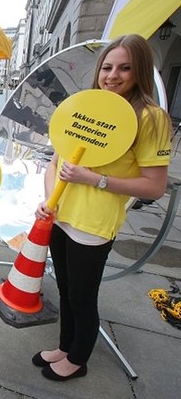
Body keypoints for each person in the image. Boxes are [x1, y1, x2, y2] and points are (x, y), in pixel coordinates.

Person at [33, 34, 172, 381]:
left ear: (139, 70)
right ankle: (65, 347)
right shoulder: (86, 106)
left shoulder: (151, 118)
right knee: (65, 289)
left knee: (82, 296)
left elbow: (154, 186)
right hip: (61, 217)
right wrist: (49, 201)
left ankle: (78, 360)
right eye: (107, 67)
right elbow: (55, 163)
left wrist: (95, 180)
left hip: (93, 225)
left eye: (125, 68)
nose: (113, 75)